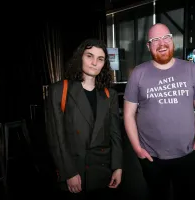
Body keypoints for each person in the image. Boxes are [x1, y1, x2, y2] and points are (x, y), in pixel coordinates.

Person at [123, 23, 195, 200]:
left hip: (189, 155)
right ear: (149, 46)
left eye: (165, 38)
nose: (161, 43)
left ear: (172, 41)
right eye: (155, 40)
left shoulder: (191, 69)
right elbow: (128, 114)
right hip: (152, 158)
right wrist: (138, 149)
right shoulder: (138, 73)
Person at [46, 38, 123, 200]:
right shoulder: (59, 90)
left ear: (104, 64)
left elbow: (115, 135)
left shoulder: (110, 95)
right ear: (80, 57)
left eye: (100, 59)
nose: (94, 62)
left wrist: (117, 167)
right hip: (74, 170)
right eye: (89, 56)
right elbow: (56, 138)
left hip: (102, 170)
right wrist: (69, 172)